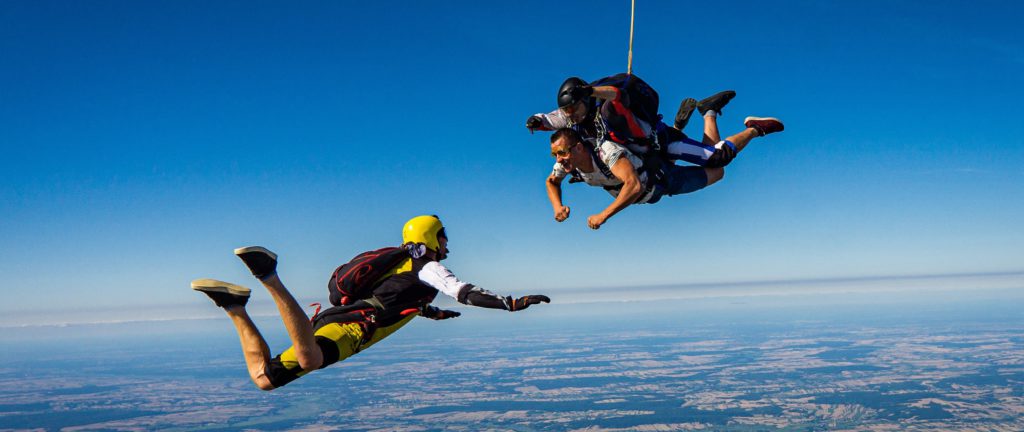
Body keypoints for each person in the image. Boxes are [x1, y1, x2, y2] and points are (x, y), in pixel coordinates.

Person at [191, 215, 551, 390]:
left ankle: (233, 306)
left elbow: (395, 297)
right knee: (309, 358)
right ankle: (269, 276)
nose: (447, 244)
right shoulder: (430, 268)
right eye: (443, 237)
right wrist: (511, 303)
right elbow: (465, 292)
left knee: (264, 379)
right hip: (355, 326)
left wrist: (432, 312)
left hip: (338, 316)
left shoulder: (401, 263)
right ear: (431, 238)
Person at [545, 114, 784, 230]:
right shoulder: (567, 164)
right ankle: (709, 112)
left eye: (562, 152)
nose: (559, 160)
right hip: (657, 187)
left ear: (578, 147)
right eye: (555, 154)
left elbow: (633, 185)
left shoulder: (606, 152)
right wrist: (558, 207)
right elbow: (552, 182)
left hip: (662, 178)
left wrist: (603, 215)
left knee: (717, 165)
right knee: (717, 171)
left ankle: (754, 129)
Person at [526, 75, 740, 169]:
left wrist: (591, 90)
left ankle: (752, 128)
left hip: (662, 142)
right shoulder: (574, 116)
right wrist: (537, 121)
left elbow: (617, 95)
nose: (571, 115)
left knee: (716, 159)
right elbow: (553, 118)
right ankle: (696, 117)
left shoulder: (607, 108)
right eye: (567, 111)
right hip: (644, 155)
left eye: (574, 108)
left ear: (587, 100)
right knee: (666, 170)